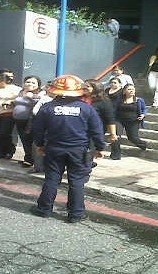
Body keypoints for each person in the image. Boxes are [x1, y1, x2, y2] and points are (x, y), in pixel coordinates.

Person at [30, 75, 106, 223]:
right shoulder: (87, 109)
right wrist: (100, 147)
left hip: (54, 149)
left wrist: (39, 145)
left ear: (56, 90)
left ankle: (44, 209)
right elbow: (97, 130)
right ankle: (76, 214)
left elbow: (37, 130)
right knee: (77, 181)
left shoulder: (47, 108)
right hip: (79, 151)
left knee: (52, 179)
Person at [84, 79, 119, 167]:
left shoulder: (103, 102)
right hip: (78, 130)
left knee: (89, 150)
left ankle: (86, 165)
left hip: (93, 131)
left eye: (87, 86)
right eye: (84, 85)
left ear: (95, 88)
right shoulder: (80, 98)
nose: (84, 88)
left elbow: (110, 119)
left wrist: (113, 134)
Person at [12, 75, 44, 169]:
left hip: (31, 121)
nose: (30, 84)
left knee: (31, 140)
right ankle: (28, 158)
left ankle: (32, 161)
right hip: (19, 120)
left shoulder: (41, 94)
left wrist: (33, 96)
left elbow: (40, 104)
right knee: (24, 140)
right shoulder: (21, 92)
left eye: (33, 83)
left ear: (38, 85)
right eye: (28, 82)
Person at [117, 84, 148, 151]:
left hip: (133, 122)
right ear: (124, 91)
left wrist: (143, 115)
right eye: (129, 89)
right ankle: (116, 154)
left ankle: (143, 145)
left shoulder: (139, 100)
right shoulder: (119, 100)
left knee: (132, 138)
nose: (131, 91)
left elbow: (144, 109)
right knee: (116, 136)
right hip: (119, 120)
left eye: (133, 89)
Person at [105, 77, 124, 160]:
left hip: (117, 115)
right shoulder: (107, 90)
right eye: (112, 82)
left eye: (115, 82)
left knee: (115, 135)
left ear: (119, 84)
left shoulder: (122, 91)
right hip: (106, 113)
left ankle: (116, 154)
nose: (113, 84)